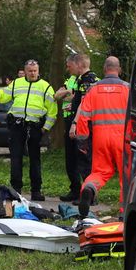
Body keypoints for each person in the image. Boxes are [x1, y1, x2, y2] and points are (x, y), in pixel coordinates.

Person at [0, 59, 57, 200]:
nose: (32, 73)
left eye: (35, 71)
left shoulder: (46, 87)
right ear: (25, 71)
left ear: (38, 71)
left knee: (35, 160)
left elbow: (52, 110)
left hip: (35, 127)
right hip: (17, 125)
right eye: (30, 71)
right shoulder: (17, 83)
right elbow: (4, 95)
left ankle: (36, 191)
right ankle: (16, 191)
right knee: (15, 158)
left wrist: (46, 128)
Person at [72, 56, 129, 218]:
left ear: (104, 69)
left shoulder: (94, 89)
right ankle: (124, 212)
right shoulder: (127, 89)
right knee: (126, 176)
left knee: (100, 171)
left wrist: (82, 141)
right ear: (119, 70)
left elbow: (83, 116)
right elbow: (135, 117)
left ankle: (89, 189)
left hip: (100, 139)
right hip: (122, 139)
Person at [54, 53, 98, 202]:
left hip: (83, 127)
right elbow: (77, 100)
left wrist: (75, 123)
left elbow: (85, 104)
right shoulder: (79, 80)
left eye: (70, 65)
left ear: (79, 64)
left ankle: (89, 195)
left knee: (84, 161)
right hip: (76, 123)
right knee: (72, 159)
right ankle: (76, 191)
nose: (68, 68)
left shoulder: (88, 80)